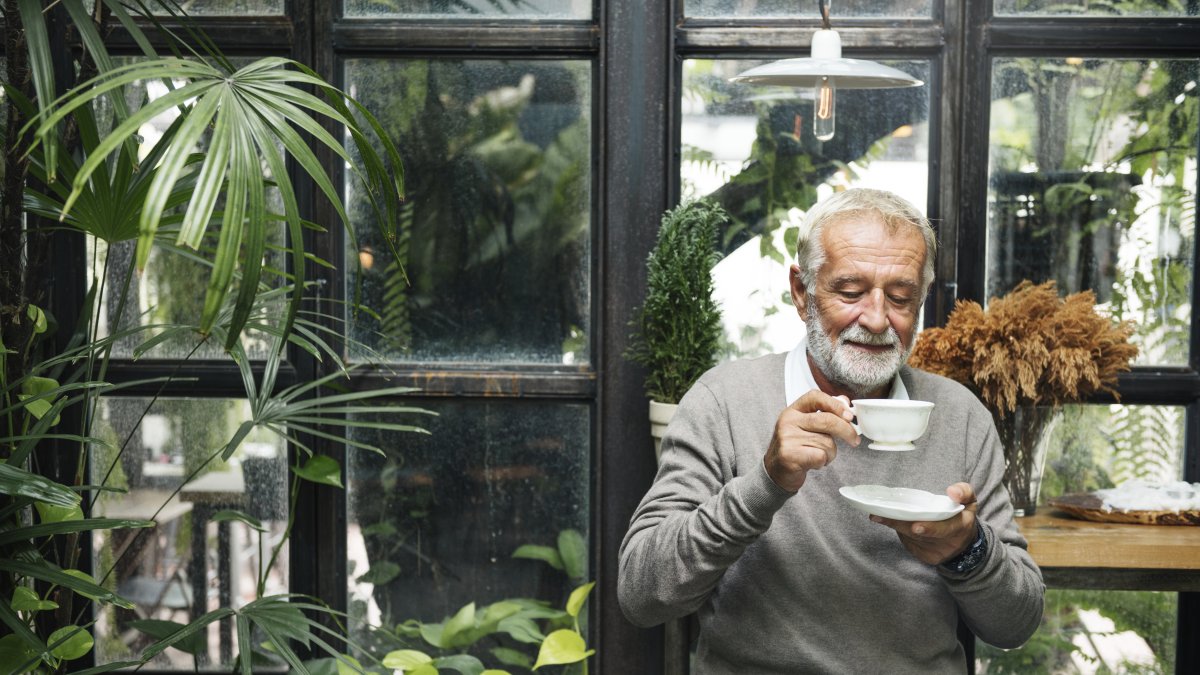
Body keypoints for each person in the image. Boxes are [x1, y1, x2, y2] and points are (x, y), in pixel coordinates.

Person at [618, 188, 1044, 673]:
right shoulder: (725, 400)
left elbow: (1018, 623)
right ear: (802, 292)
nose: (878, 318)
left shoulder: (959, 415)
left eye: (901, 298)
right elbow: (641, 594)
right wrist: (764, 484)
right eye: (851, 292)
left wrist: (967, 552)